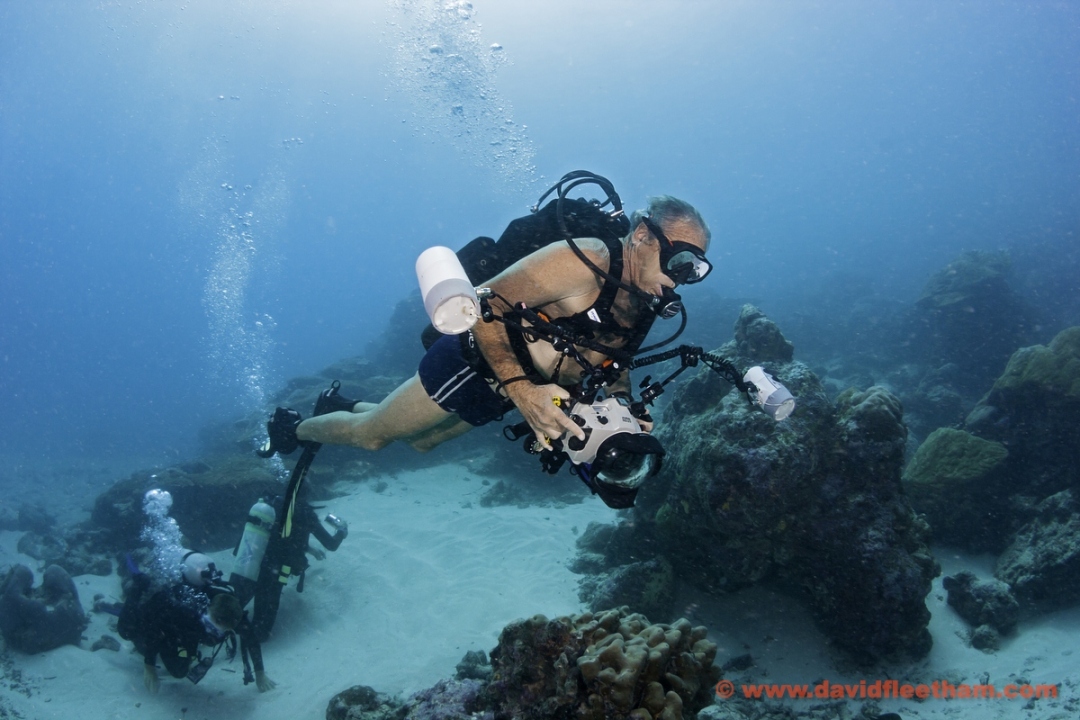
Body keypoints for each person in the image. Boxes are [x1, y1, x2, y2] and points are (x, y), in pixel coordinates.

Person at [261, 193, 712, 508]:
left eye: (695, 267)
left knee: (424, 442)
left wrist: (623, 406)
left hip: (515, 389)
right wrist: (523, 391)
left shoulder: (646, 298)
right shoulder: (584, 260)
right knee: (373, 437)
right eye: (679, 258)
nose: (683, 276)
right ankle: (294, 429)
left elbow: (612, 361)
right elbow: (483, 305)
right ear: (642, 236)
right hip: (475, 363)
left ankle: (345, 405)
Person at [117, 553, 274, 693]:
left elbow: (252, 641)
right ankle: (138, 584)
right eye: (213, 627)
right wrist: (149, 666)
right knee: (126, 631)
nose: (215, 634)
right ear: (207, 612)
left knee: (179, 671)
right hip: (157, 611)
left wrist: (260, 674)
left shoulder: (234, 614)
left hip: (186, 629)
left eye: (223, 631)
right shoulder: (187, 609)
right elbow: (156, 626)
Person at [233, 498, 348, 642]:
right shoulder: (306, 514)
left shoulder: (273, 505)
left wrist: (310, 550)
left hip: (250, 560)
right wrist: (342, 531)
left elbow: (280, 537)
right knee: (261, 631)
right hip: (273, 573)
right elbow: (330, 545)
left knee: (230, 607)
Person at [0, 564, 87, 654]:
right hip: (62, 629)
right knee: (52, 570)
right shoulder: (71, 610)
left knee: (45, 570)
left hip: (36, 635)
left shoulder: (15, 600)